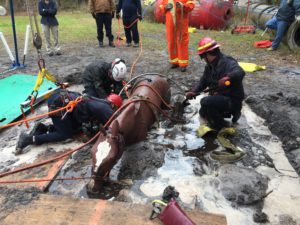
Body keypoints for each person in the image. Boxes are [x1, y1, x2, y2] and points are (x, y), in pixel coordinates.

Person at [15, 90, 123, 155]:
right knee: (65, 135)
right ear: (114, 105)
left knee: (74, 128)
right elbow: (115, 125)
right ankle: (29, 139)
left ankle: (44, 129)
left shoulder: (100, 102)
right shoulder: (106, 108)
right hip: (60, 104)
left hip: (60, 98)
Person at [185, 37, 245, 131]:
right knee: (203, 113)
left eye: (202, 56)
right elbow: (203, 82)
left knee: (205, 101)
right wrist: (194, 91)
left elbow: (240, 72)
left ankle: (220, 127)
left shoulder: (228, 62)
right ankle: (221, 116)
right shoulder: (210, 67)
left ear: (208, 54)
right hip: (220, 98)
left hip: (232, 100)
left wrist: (228, 78)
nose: (203, 59)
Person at [159, 0, 195, 72]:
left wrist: (183, 6)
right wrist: (165, 7)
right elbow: (161, 7)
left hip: (181, 23)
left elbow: (191, 6)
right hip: (170, 24)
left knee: (182, 42)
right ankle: (174, 61)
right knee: (171, 41)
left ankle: (183, 64)